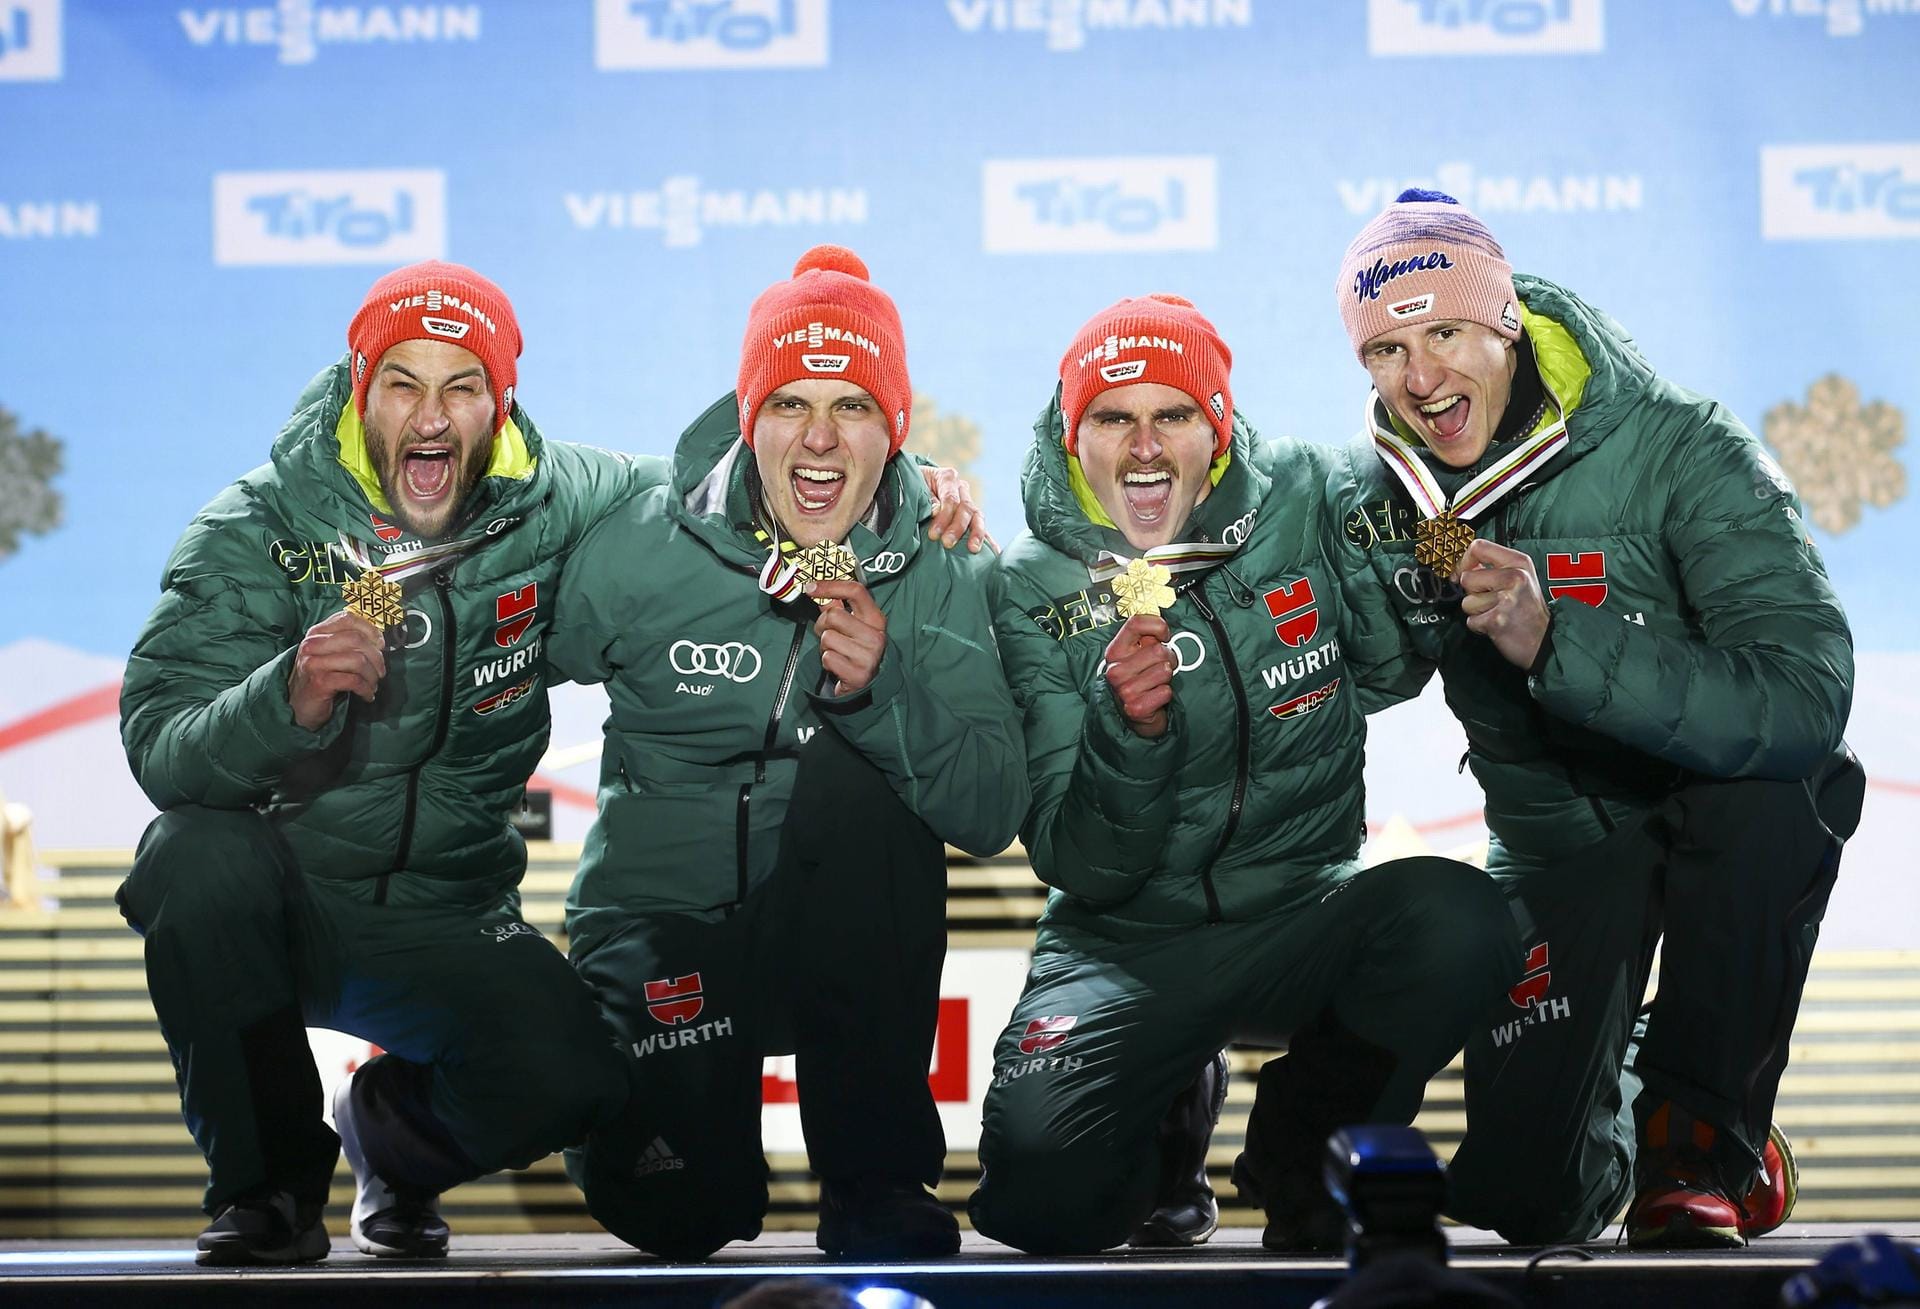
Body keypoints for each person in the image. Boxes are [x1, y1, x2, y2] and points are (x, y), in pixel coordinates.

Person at [115, 260, 990, 1268]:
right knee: (192, 851)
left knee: (576, 1082)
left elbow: (736, 482)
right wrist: (290, 693)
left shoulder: (564, 498)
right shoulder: (256, 528)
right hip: (282, 901)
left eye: (463, 385)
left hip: (446, 912)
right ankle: (266, 1190)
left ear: (501, 401)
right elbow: (160, 747)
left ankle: (391, 1138)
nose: (433, 417)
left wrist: (915, 487)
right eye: (404, 382)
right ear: (361, 389)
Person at [1331, 189, 1864, 1248]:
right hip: (1556, 840)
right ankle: (1633, 1097)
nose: (1422, 378)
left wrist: (1557, 641)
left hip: (1706, 809)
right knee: (1530, 1199)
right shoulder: (1386, 492)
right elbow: (1360, 665)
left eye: (1444, 333)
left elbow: (1805, 690)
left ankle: (1702, 1140)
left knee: (1776, 793)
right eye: (1387, 351)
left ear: (1507, 322)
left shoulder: (1681, 447)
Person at [965, 293, 1520, 1254]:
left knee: (1461, 919)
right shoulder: (1029, 583)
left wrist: (1421, 583)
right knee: (1039, 1209)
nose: (1144, 447)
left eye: (1172, 413)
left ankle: (1304, 1150)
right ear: (1072, 432)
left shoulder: (1302, 494)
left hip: (1299, 909)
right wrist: (1127, 732)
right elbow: (1080, 863)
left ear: (1215, 429)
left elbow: (1386, 669)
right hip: (1126, 944)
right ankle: (1168, 1115)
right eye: (1113, 417)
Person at [547, 245, 1028, 1262]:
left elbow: (990, 808)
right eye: (789, 404)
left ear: (892, 429)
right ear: (748, 416)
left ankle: (874, 1179)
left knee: (860, 775)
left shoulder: (936, 567)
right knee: (690, 1215)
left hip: (829, 945)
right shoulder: (643, 538)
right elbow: (494, 670)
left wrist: (881, 688)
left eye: (852, 405)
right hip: (667, 925)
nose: (817, 438)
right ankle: (578, 1090)